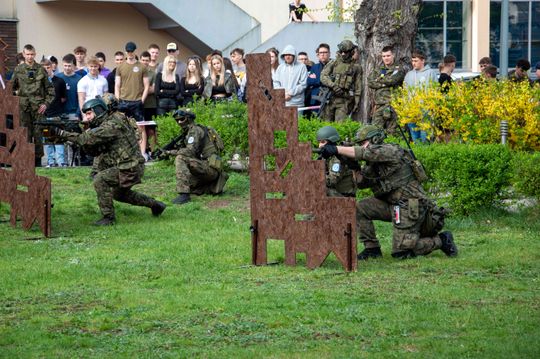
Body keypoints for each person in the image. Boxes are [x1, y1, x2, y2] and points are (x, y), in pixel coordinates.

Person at [317, 125, 458, 260]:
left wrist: (336, 149)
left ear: (375, 140)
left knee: (402, 252)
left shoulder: (390, 150)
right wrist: (353, 166)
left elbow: (365, 152)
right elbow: (361, 183)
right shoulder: (372, 164)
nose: (361, 145)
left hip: (409, 204)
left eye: (363, 142)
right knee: (359, 208)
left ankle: (441, 240)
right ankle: (372, 248)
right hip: (390, 203)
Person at [47, 97, 166, 225]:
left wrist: (61, 133)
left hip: (129, 167)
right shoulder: (114, 119)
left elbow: (86, 139)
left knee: (100, 179)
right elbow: (94, 146)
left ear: (98, 111)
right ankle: (156, 205)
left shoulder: (110, 126)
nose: (87, 118)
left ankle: (108, 218)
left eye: (89, 114)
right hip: (130, 165)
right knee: (119, 194)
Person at [160, 109, 228, 205]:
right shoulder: (192, 131)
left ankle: (184, 195)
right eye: (177, 120)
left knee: (180, 158)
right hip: (210, 168)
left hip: (210, 168)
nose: (179, 122)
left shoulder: (194, 130)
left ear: (189, 119)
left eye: (182, 119)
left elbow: (189, 151)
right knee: (189, 184)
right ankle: (206, 188)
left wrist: (169, 152)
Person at [11, 44, 55, 167]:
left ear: (35, 54)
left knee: (38, 135)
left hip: (38, 109)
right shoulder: (18, 70)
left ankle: (38, 162)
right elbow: (11, 88)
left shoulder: (41, 70)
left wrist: (46, 104)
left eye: (32, 54)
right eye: (27, 54)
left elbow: (50, 90)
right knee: (24, 135)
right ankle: (25, 162)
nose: (30, 57)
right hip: (23, 108)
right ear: (24, 55)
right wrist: (17, 96)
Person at [115, 41, 150, 160]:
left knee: (141, 128)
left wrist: (142, 100)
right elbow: (117, 85)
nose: (130, 53)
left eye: (132, 51)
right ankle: (124, 154)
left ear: (135, 51)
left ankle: (142, 153)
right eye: (128, 51)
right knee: (122, 128)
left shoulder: (142, 66)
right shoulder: (120, 67)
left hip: (137, 101)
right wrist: (118, 99)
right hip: (123, 101)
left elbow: (146, 85)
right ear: (126, 52)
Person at [320, 39, 363, 122]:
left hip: (344, 101)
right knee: (326, 125)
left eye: (345, 52)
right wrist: (333, 85)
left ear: (351, 52)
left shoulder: (356, 67)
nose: (343, 54)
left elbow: (358, 87)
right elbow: (323, 76)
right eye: (341, 51)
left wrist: (357, 103)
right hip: (330, 99)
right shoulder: (334, 62)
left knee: (340, 127)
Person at [368, 45, 406, 134]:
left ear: (393, 55)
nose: (386, 58)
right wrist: (384, 84)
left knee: (393, 132)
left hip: (393, 105)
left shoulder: (398, 69)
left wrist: (379, 81)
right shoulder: (379, 69)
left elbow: (392, 80)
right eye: (384, 56)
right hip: (379, 105)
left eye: (388, 56)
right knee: (375, 130)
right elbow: (370, 82)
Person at [403, 50, 438, 143]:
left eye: (416, 61)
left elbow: (435, 91)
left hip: (425, 109)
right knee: (415, 137)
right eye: (412, 61)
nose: (413, 63)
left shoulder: (430, 73)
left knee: (425, 136)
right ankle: (418, 154)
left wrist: (432, 108)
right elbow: (405, 92)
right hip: (412, 110)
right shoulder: (409, 75)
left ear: (423, 61)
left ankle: (425, 154)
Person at [315, 126, 356, 198]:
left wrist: (313, 176)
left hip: (345, 198)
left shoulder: (338, 158)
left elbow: (331, 181)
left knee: (321, 188)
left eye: (323, 142)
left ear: (331, 141)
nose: (320, 145)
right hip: (336, 194)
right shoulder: (327, 156)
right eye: (319, 142)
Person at [42, 58, 67, 167]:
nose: (46, 69)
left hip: (57, 115)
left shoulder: (60, 81)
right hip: (45, 116)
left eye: (48, 67)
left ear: (52, 67)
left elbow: (63, 98)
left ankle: (61, 161)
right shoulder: (40, 83)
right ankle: (50, 161)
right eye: (44, 68)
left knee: (58, 139)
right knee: (47, 139)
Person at [140, 51, 158, 156]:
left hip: (150, 104)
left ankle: (152, 151)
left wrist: (143, 89)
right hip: (139, 104)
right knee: (141, 129)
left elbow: (154, 89)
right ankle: (144, 150)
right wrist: (147, 88)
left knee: (151, 130)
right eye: (143, 60)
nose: (145, 62)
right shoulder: (136, 72)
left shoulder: (153, 73)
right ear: (140, 60)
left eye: (147, 60)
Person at [306, 43, 331, 117]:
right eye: (321, 53)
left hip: (328, 99)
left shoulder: (334, 66)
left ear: (329, 53)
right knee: (314, 122)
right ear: (318, 54)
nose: (323, 54)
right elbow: (309, 81)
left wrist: (316, 79)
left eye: (325, 52)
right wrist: (322, 80)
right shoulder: (314, 67)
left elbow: (332, 81)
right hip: (315, 100)